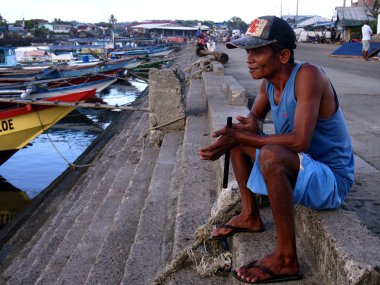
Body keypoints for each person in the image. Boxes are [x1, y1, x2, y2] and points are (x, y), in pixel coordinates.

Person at [198, 15, 354, 283]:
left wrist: (244, 137)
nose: (249, 58)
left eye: (257, 51)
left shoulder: (309, 76)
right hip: (301, 167)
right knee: (242, 138)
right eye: (248, 51)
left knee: (259, 147)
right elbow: (256, 118)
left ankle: (286, 259)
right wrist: (250, 125)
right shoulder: (269, 81)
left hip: (331, 180)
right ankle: (249, 215)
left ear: (283, 56)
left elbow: (299, 141)